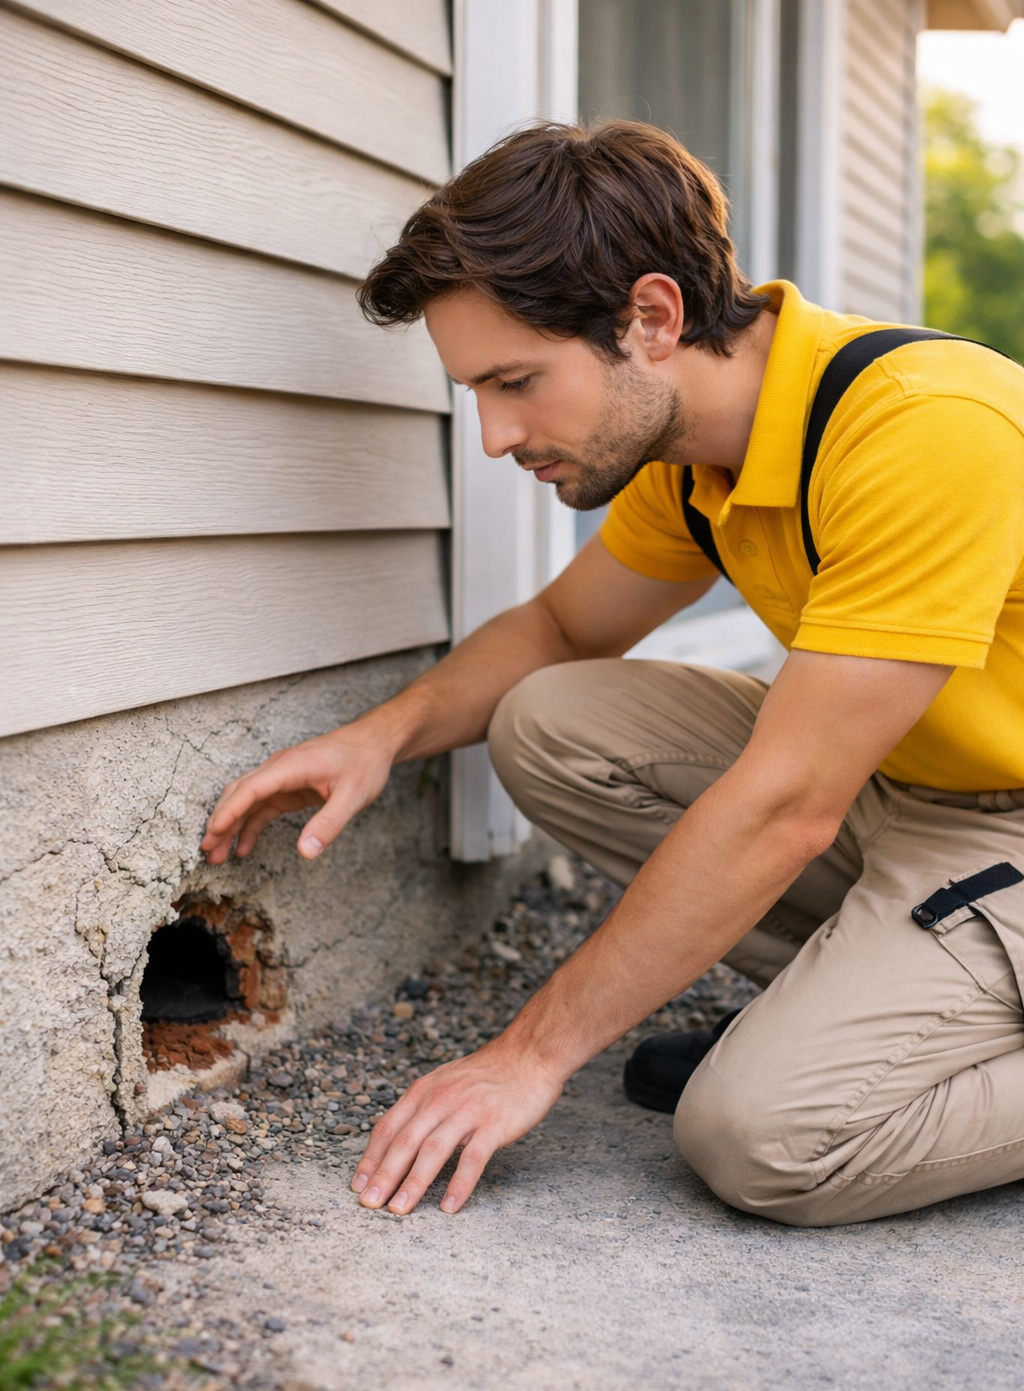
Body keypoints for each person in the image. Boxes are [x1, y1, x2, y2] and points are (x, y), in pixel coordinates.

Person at [200, 121, 1024, 1228]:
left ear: (649, 319)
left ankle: (866, 1042)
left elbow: (786, 807)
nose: (496, 436)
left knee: (763, 1137)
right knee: (550, 720)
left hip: (1005, 828)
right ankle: (872, 1008)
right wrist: (380, 736)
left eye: (517, 382)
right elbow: (555, 631)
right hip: (920, 795)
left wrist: (527, 1055)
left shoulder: (923, 431)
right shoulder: (693, 454)